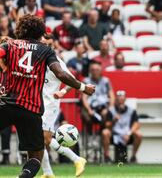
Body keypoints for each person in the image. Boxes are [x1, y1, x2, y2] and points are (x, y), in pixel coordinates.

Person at [0, 14, 95, 178]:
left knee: (45, 140)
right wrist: (83, 88)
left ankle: (57, 169)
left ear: (20, 30)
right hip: (30, 109)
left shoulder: (9, 45)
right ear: (40, 32)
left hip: (6, 104)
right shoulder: (46, 50)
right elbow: (61, 74)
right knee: (36, 157)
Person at [39, 33, 87, 178]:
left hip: (50, 105)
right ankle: (48, 173)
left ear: (53, 46)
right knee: (38, 141)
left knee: (44, 139)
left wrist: (63, 91)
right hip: (37, 104)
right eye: (44, 44)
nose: (47, 47)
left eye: (50, 45)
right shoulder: (36, 60)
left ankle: (77, 159)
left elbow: (72, 80)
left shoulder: (56, 61)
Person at [81, 61, 115, 163]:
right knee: (86, 115)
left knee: (109, 117)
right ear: (90, 71)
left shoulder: (106, 81)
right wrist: (89, 110)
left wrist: (108, 109)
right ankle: (91, 137)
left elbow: (112, 96)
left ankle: (104, 143)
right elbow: (84, 98)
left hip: (103, 108)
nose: (95, 71)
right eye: (93, 70)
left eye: (97, 69)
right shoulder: (86, 80)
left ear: (101, 70)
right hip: (90, 108)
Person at [111, 90, 142, 163]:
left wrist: (128, 134)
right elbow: (106, 125)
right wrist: (114, 120)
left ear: (125, 99)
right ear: (116, 99)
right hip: (114, 135)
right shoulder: (111, 110)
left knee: (139, 134)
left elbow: (137, 124)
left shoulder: (131, 111)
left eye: (122, 98)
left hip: (127, 135)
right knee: (105, 132)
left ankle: (133, 156)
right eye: (119, 98)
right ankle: (107, 157)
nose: (120, 100)